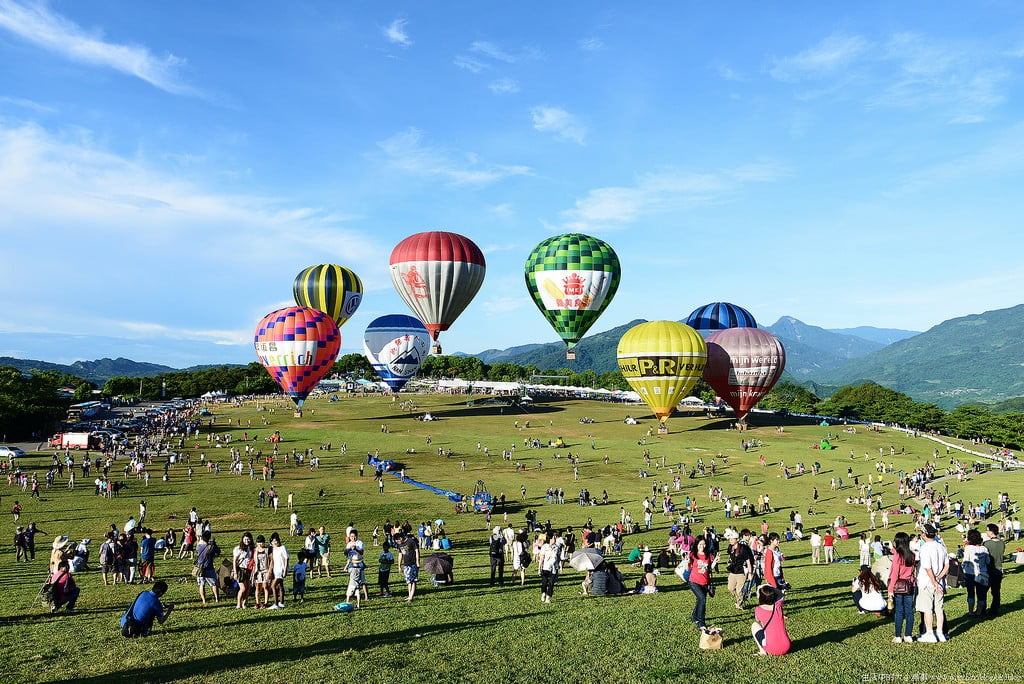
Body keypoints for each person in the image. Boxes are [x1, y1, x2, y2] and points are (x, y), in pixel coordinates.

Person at [916, 524, 949, 643]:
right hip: (940, 582)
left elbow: (927, 568)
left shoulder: (925, 549)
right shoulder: (941, 547)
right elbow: (947, 565)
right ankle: (940, 632)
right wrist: (939, 578)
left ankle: (929, 632)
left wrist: (934, 581)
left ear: (924, 535)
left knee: (927, 608)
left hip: (927, 582)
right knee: (939, 608)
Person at [887, 531, 917, 643]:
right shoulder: (912, 555)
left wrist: (890, 589)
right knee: (909, 611)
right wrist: (892, 549)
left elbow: (895, 574)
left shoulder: (897, 556)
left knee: (899, 611)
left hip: (899, 585)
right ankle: (908, 635)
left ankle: (898, 635)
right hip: (909, 584)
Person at [752, 585, 791, 655]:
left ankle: (762, 651)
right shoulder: (778, 606)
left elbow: (757, 620)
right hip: (787, 646)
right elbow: (781, 594)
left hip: (772, 648)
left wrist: (762, 590)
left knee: (754, 625)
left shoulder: (758, 609)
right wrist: (770, 588)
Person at [962, 528, 991, 616]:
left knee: (971, 593)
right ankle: (979, 612)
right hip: (983, 573)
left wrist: (963, 568)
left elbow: (966, 560)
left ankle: (971, 612)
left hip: (970, 573)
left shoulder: (968, 548)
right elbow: (988, 561)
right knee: (981, 594)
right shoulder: (984, 549)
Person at [687, 536, 714, 629]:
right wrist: (687, 562)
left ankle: (694, 617)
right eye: (700, 544)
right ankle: (701, 622)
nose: (702, 546)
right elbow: (688, 568)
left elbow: (709, 569)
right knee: (702, 598)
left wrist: (715, 562)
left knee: (700, 600)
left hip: (705, 582)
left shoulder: (708, 555)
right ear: (696, 545)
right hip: (694, 581)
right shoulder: (692, 554)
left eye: (704, 544)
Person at [726, 529, 755, 609]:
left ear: (737, 539)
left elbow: (748, 562)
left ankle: (740, 604)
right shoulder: (730, 547)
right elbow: (731, 557)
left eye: (732, 539)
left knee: (739, 590)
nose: (730, 540)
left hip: (741, 572)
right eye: (730, 539)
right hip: (733, 571)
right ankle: (740, 599)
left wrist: (750, 573)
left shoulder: (743, 549)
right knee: (730, 588)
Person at [983, 523, 1005, 616]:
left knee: (983, 592)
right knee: (996, 592)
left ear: (991, 532)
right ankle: (994, 609)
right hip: (998, 570)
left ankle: (982, 609)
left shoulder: (987, 544)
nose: (986, 532)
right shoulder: (1002, 543)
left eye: (987, 530)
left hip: (988, 570)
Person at [194, 530, 220, 605]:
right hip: (209, 567)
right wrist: (214, 544)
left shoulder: (199, 546)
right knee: (214, 584)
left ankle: (204, 600)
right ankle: (217, 599)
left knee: (201, 585)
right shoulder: (211, 547)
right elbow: (218, 552)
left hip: (200, 568)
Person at [232, 532, 255, 609]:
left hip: (248, 569)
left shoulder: (251, 548)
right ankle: (239, 603)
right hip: (240, 570)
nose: (247, 541)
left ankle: (244, 603)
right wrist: (235, 572)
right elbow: (234, 561)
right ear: (242, 539)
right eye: (245, 539)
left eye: (248, 539)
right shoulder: (238, 549)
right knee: (243, 588)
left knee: (248, 587)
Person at [269, 533, 289, 609]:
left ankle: (275, 604)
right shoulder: (274, 549)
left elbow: (286, 558)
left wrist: (285, 570)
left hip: (281, 570)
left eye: (276, 541)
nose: (275, 542)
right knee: (280, 586)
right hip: (276, 570)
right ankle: (281, 602)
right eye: (273, 541)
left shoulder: (282, 548)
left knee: (273, 586)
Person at [399, 532, 420, 603]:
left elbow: (417, 551)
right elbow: (400, 555)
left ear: (401, 538)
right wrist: (399, 565)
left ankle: (411, 597)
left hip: (413, 564)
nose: (398, 542)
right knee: (408, 581)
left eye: (398, 540)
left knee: (413, 580)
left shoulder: (411, 541)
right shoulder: (400, 544)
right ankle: (409, 595)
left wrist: (417, 561)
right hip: (406, 565)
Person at [538, 532, 559, 604]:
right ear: (550, 539)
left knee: (551, 583)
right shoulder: (544, 547)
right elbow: (541, 557)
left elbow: (558, 557)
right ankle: (543, 593)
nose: (555, 539)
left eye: (555, 538)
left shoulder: (556, 547)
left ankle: (548, 597)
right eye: (554, 538)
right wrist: (539, 567)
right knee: (544, 582)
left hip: (553, 568)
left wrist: (559, 566)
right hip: (545, 567)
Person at [252, 535, 272, 609]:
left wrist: (270, 570)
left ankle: (266, 602)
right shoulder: (255, 550)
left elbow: (271, 560)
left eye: (261, 542)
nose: (260, 544)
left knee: (265, 586)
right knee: (257, 587)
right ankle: (257, 602)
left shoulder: (267, 550)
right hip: (257, 571)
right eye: (258, 542)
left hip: (266, 570)